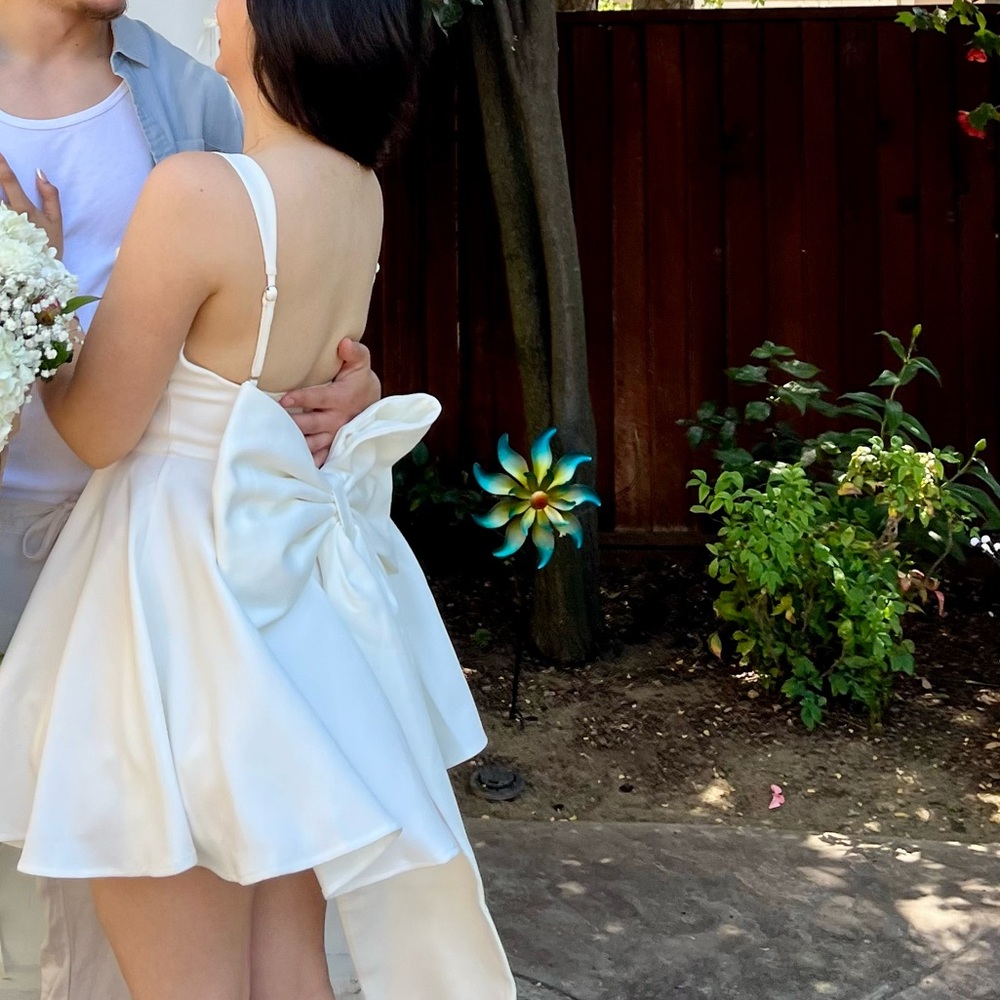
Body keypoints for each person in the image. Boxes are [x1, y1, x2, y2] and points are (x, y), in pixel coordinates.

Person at [0, 0, 516, 997]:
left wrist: (36, 280)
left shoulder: (196, 186)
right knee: (288, 968)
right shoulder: (361, 191)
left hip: (167, 608)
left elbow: (99, 425)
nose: (213, 9)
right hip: (276, 612)